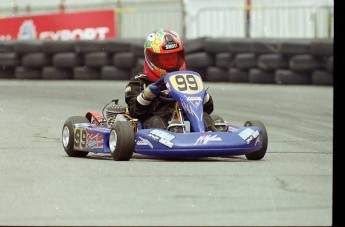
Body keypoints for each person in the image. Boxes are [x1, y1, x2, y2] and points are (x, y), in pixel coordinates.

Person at [124, 29, 220, 132]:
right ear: (151, 58)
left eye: (173, 58)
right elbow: (133, 111)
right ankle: (168, 141)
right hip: (153, 125)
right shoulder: (139, 81)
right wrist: (147, 95)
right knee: (156, 121)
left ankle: (209, 138)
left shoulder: (187, 79)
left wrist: (202, 94)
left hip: (184, 121)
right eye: (165, 59)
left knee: (205, 117)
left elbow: (208, 109)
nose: (170, 63)